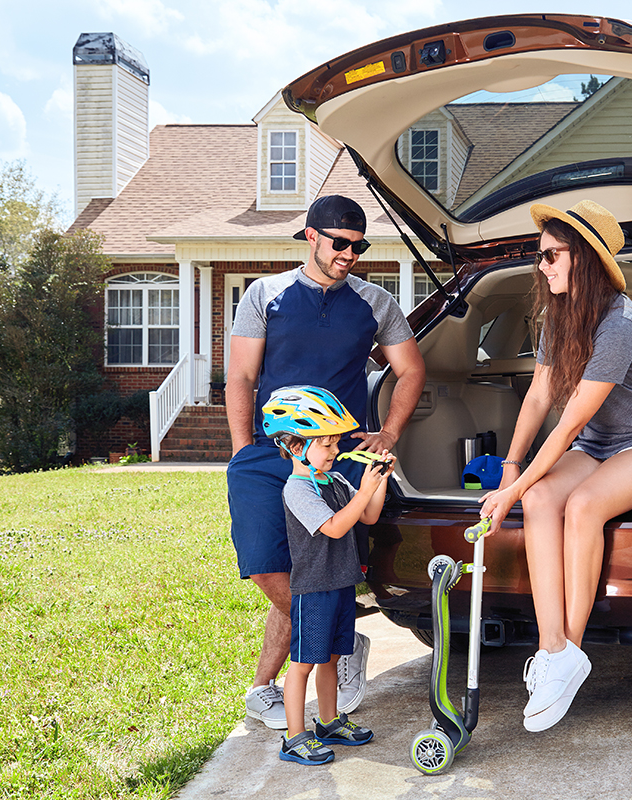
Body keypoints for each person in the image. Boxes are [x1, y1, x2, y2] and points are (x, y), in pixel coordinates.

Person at [478, 199, 632, 733]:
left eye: (553, 255)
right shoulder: (559, 318)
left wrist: (506, 492)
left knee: (582, 506)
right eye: (541, 256)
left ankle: (570, 654)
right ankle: (550, 648)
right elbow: (537, 398)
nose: (543, 265)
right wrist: (512, 472)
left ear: (584, 259)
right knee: (538, 499)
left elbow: (569, 423)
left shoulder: (619, 322)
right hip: (601, 445)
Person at [227, 195, 426, 729]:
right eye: (340, 243)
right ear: (311, 236)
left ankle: (264, 688)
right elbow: (242, 377)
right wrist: (242, 447)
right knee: (267, 565)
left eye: (358, 246)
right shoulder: (264, 294)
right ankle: (343, 635)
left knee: (316, 570)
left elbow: (410, 370)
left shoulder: (375, 303)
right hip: (268, 454)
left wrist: (388, 433)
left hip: (335, 460)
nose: (349, 254)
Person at [260, 386, 394, 766]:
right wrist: (363, 490)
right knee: (302, 663)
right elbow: (335, 527)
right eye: (326, 445)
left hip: (340, 584)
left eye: (335, 445)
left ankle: (329, 721)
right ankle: (294, 736)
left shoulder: (335, 482)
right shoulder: (296, 489)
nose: (334, 452)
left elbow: (366, 515)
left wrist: (378, 481)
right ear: (295, 447)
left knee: (332, 658)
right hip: (314, 590)